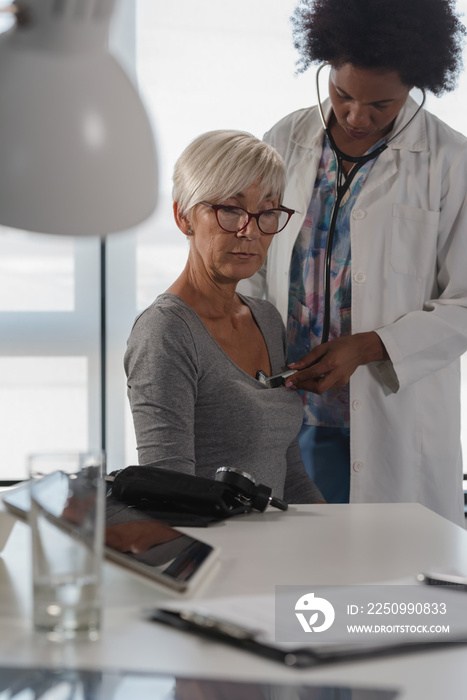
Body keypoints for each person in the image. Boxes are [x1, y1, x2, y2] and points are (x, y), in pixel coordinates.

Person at [239, 0, 467, 524]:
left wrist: (366, 348)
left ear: (415, 84)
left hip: (391, 416)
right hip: (289, 412)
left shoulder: (449, 163)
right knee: (295, 588)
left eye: (381, 105)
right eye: (342, 94)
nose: (357, 116)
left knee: (386, 592)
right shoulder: (284, 141)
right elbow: (250, 265)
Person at [124, 130, 324, 505]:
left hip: (275, 550)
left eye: (267, 212)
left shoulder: (265, 318)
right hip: (216, 556)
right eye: (230, 210)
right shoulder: (165, 331)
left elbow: (291, 474)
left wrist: (338, 542)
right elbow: (170, 493)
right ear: (184, 218)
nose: (250, 231)